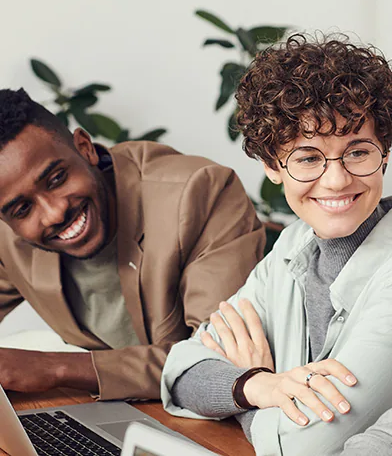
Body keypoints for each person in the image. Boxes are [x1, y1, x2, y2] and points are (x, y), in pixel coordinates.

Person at [161, 34, 392, 455]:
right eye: (307, 158)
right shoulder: (293, 245)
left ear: (386, 151)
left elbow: (303, 444)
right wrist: (258, 384)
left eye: (358, 152)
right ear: (271, 166)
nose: (337, 180)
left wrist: (243, 388)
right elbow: (181, 373)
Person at [0, 88, 265, 401]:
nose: (54, 213)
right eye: (23, 210)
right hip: (111, 415)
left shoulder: (200, 193)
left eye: (57, 179)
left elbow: (218, 362)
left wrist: (53, 367)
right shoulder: (8, 233)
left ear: (85, 148)